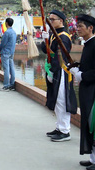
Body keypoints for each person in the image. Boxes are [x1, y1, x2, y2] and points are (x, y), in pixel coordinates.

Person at [70, 14, 95, 170]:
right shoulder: (88, 45)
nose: (78, 29)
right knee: (89, 123)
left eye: (81, 26)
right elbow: (89, 66)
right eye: (77, 26)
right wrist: (78, 68)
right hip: (87, 89)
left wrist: (82, 75)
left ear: (91, 28)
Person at [40, 10, 77, 142]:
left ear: (60, 21)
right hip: (54, 69)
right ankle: (59, 127)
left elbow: (61, 57)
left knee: (62, 99)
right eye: (48, 19)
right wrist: (44, 40)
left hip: (62, 70)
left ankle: (65, 130)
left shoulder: (64, 36)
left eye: (52, 19)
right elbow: (46, 51)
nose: (50, 22)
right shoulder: (53, 34)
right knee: (56, 99)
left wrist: (54, 71)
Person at [0, 17, 17, 91]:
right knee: (11, 68)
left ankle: (6, 85)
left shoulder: (7, 33)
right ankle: (12, 84)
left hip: (5, 52)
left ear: (6, 23)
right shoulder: (14, 32)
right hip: (11, 52)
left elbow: (3, 43)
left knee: (6, 69)